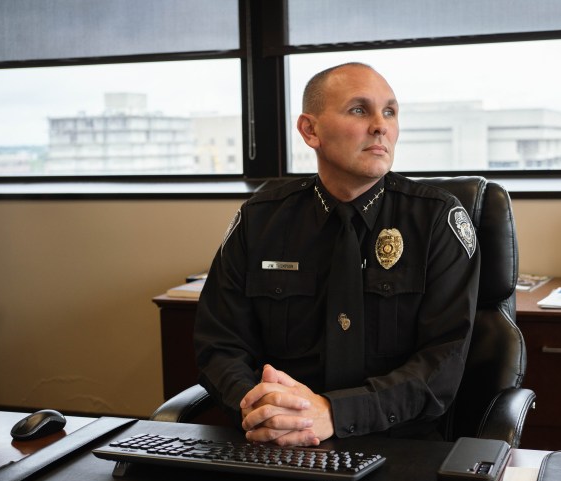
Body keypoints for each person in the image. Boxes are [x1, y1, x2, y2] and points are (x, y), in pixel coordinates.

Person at [194, 62, 481, 447]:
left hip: (397, 445)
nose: (381, 125)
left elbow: (442, 363)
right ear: (310, 130)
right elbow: (220, 343)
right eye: (359, 110)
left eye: (390, 112)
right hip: (276, 443)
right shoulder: (260, 219)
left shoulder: (436, 220)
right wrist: (256, 407)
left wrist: (334, 413)